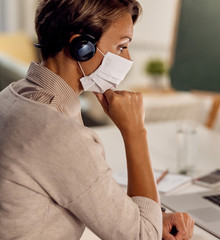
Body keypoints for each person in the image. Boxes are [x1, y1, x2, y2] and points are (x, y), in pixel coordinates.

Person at [0, 0, 194, 239]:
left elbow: (87, 191)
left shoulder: (13, 96)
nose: (128, 57)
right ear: (81, 47)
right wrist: (135, 131)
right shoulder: (56, 131)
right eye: (122, 47)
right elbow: (143, 237)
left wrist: (151, 216)